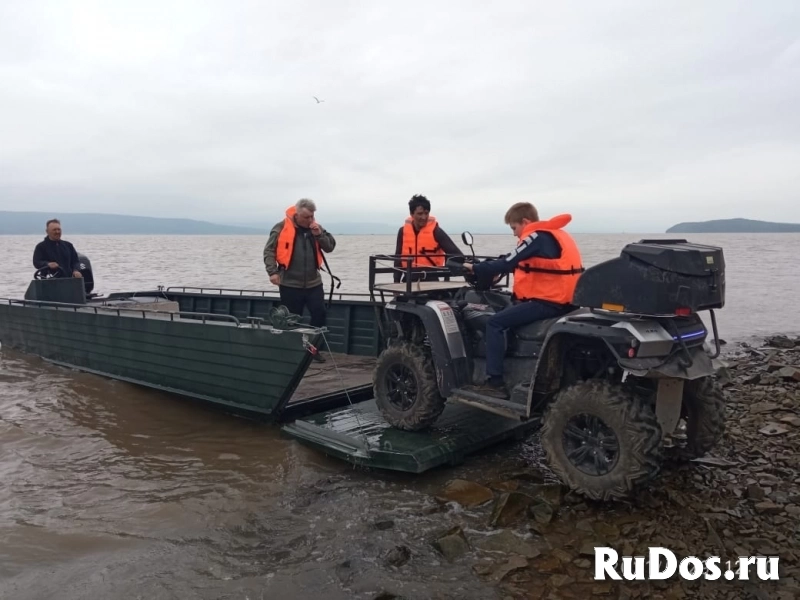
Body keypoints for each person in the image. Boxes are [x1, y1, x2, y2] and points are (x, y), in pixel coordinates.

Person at [462, 202, 584, 399]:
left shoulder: (535, 236)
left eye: (514, 228)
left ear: (525, 222)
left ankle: (495, 383)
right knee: (509, 311)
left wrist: (474, 269)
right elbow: (516, 259)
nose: (514, 234)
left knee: (495, 323)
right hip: (565, 301)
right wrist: (493, 266)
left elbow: (509, 261)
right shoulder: (552, 235)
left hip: (547, 302)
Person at [263, 198, 336, 361]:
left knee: (320, 314)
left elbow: (330, 247)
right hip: (290, 283)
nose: (310, 220)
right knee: (291, 319)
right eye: (307, 217)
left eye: (312, 216)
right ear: (297, 215)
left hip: (313, 283)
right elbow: (269, 251)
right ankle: (292, 352)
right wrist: (272, 272)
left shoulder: (316, 228)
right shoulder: (281, 227)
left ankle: (313, 350)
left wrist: (319, 235)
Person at [393, 194, 463, 283]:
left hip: (431, 281)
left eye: (426, 213)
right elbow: (398, 258)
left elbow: (456, 253)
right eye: (420, 214)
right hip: (408, 281)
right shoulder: (402, 231)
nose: (424, 217)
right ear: (411, 214)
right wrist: (396, 281)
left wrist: (447, 276)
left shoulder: (436, 231)